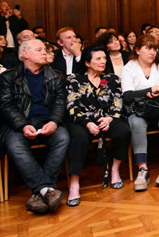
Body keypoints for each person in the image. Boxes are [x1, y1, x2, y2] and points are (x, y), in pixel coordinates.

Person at [0, 39, 69, 214]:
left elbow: (60, 102)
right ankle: (47, 190)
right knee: (14, 145)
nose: (45, 52)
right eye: (39, 50)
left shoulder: (56, 76)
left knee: (63, 137)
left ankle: (41, 190)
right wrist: (22, 125)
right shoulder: (8, 77)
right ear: (25, 54)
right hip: (20, 123)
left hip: (47, 121)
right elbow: (6, 105)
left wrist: (53, 121)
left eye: (45, 49)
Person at [65, 45, 130, 207]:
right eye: (98, 59)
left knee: (123, 130)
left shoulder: (112, 79)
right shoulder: (74, 80)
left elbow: (117, 104)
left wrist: (109, 119)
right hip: (82, 120)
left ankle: (115, 170)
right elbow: (72, 106)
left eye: (104, 59)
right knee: (78, 137)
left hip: (106, 118)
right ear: (87, 62)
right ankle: (74, 183)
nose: (103, 62)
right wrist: (87, 123)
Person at [121, 35, 159, 191]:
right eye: (147, 48)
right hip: (139, 109)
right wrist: (150, 90)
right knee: (136, 123)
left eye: (154, 49)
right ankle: (142, 168)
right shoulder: (129, 67)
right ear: (138, 50)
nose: (152, 52)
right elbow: (127, 95)